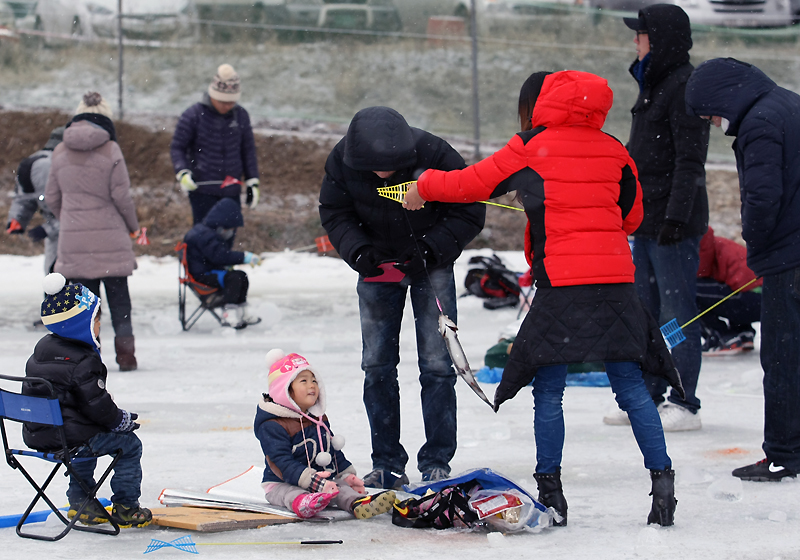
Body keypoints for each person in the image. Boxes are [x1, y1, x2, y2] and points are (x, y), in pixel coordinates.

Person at [405, 70, 682, 526]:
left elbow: (470, 184)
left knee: (549, 391)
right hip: (615, 282)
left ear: (548, 102)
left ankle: (552, 493)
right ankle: (663, 489)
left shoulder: (532, 146)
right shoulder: (615, 149)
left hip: (563, 284)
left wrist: (422, 187)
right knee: (632, 388)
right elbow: (633, 216)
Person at [319, 106, 486, 489]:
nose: (383, 175)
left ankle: (437, 460)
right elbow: (335, 212)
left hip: (431, 264)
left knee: (438, 365)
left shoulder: (436, 154)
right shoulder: (342, 161)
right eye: (375, 169)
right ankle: (387, 461)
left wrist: (431, 249)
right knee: (377, 365)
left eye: (390, 168)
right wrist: (358, 251)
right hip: (377, 267)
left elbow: (470, 208)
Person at [686, 57, 800, 482]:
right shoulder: (788, 103)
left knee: (784, 358)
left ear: (726, 98)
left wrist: (757, 241)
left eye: (712, 114)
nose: (716, 123)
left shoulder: (760, 123)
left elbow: (763, 196)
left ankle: (785, 454)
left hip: (789, 256)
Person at [621, 4, 711, 432]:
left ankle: (684, 400)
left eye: (639, 35)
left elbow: (690, 161)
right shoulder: (651, 83)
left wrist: (676, 218)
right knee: (645, 311)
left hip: (673, 227)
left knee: (676, 316)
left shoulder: (684, 86)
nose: (633, 42)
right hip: (644, 220)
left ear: (656, 40)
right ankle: (648, 394)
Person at [23, 273, 151, 527]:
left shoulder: (42, 349)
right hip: (69, 438)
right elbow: (97, 405)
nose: (99, 326)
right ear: (78, 324)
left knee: (82, 438)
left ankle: (81, 503)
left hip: (39, 433)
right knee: (129, 444)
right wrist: (120, 420)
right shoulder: (83, 360)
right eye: (95, 320)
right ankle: (126, 507)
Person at [45, 92, 141, 372]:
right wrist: (133, 228)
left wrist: (70, 218)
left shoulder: (60, 151)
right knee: (120, 301)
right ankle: (126, 357)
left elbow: (51, 196)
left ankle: (88, 359)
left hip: (74, 240)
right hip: (111, 237)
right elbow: (122, 196)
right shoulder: (111, 149)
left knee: (84, 307)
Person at [254, 349, 397, 519]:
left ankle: (358, 504)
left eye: (314, 380)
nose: (312, 385)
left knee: (341, 488)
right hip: (281, 483)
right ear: (284, 390)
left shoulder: (317, 419)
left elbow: (332, 451)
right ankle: (304, 504)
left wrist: (346, 475)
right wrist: (312, 481)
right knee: (290, 493)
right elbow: (282, 463)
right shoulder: (273, 424)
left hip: (319, 482)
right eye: (304, 381)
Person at [170, 63, 260, 224]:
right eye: (223, 102)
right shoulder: (193, 115)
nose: (227, 106)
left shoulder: (240, 116)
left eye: (231, 102)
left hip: (231, 189)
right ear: (213, 95)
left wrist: (252, 181)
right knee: (205, 235)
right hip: (203, 190)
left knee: (228, 234)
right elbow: (178, 147)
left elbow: (248, 150)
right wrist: (182, 171)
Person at [183, 197, 261, 329]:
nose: (231, 232)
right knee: (234, 278)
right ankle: (229, 313)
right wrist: (244, 257)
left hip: (207, 270)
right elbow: (219, 256)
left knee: (241, 276)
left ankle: (243, 313)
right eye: (229, 228)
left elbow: (214, 256)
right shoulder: (204, 235)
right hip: (201, 275)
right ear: (222, 225)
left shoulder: (205, 231)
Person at [5, 126, 65, 276]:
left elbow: (76, 212)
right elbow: (25, 197)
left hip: (77, 234)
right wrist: (17, 220)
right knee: (55, 277)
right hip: (57, 231)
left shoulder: (60, 167)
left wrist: (48, 229)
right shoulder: (34, 164)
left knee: (68, 278)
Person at [697, 227, 762, 356]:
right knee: (730, 283)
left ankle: (721, 337)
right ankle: (744, 333)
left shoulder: (703, 244)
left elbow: (702, 272)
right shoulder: (722, 243)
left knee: (689, 291)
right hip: (768, 298)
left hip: (749, 299)